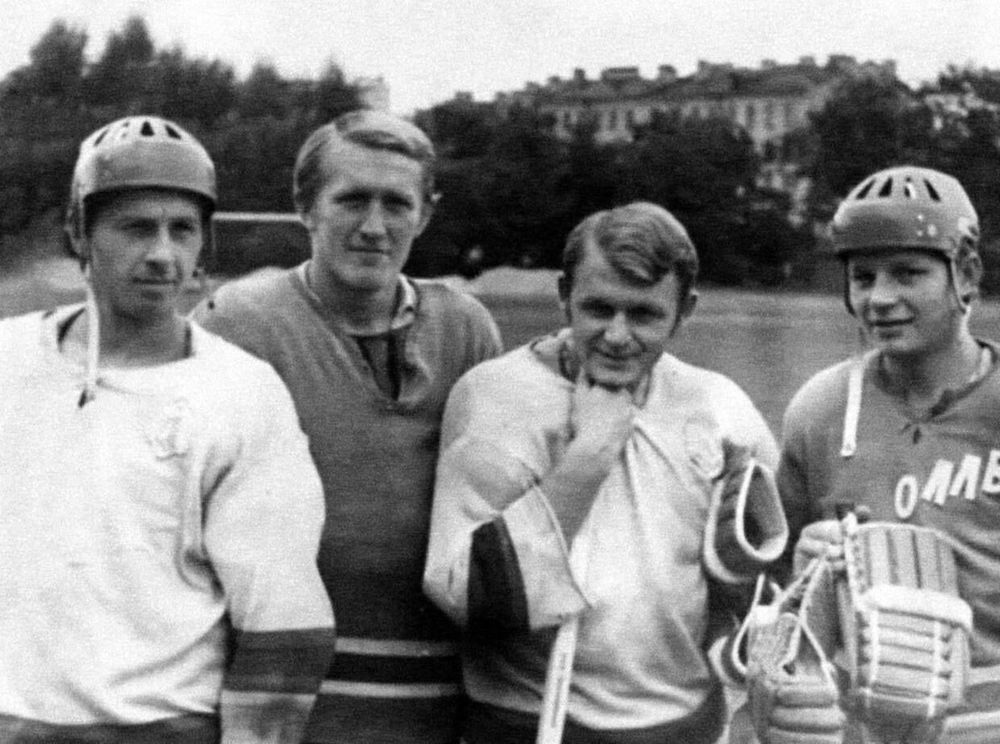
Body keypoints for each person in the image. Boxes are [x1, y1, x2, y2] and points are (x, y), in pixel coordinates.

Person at [0, 115, 335, 744]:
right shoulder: (9, 361)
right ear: (80, 232)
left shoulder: (242, 390)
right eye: (136, 228)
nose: (162, 254)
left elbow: (282, 624)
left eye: (182, 230)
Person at [193, 109, 503, 744]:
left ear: (425, 214)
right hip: (282, 693)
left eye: (397, 204)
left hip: (432, 695)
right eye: (352, 200)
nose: (374, 226)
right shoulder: (236, 325)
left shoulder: (466, 329)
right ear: (305, 207)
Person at [423, 201, 780, 744]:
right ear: (564, 294)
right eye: (598, 309)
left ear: (685, 311)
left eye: (644, 315)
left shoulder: (719, 407)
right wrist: (589, 456)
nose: (616, 335)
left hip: (685, 728)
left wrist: (759, 693)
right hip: (527, 724)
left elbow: (769, 591)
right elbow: (472, 600)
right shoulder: (494, 399)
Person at [778, 165, 1000, 741]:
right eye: (863, 276)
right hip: (866, 721)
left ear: (966, 275)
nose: (879, 298)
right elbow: (781, 589)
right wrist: (804, 570)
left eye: (907, 273)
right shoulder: (820, 410)